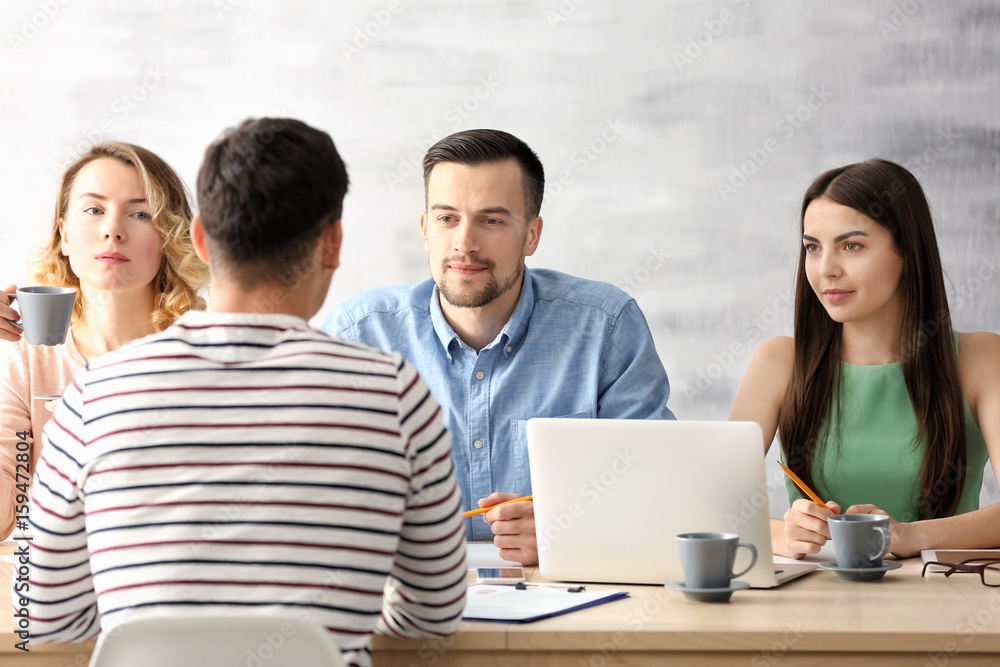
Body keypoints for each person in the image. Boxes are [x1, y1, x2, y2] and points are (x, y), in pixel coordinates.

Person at [17, 118, 466, 664]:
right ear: (332, 243)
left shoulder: (93, 395)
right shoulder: (394, 396)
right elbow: (435, 612)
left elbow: (44, 616)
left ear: (200, 238)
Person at [325, 129, 674, 564]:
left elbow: (659, 492)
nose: (464, 243)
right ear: (425, 231)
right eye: (447, 218)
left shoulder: (606, 327)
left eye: (491, 220)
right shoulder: (358, 335)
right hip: (407, 604)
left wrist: (568, 527)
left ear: (531, 235)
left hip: (567, 603)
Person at [729, 158, 1000, 559]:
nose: (826, 270)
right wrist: (779, 535)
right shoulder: (778, 361)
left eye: (851, 245)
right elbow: (710, 503)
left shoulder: (981, 358)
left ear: (908, 251)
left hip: (943, 599)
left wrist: (910, 536)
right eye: (812, 248)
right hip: (811, 606)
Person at [0, 142, 208, 539]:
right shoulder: (26, 360)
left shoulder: (205, 358)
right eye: (94, 209)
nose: (113, 230)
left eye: (141, 213)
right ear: (63, 235)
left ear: (169, 238)